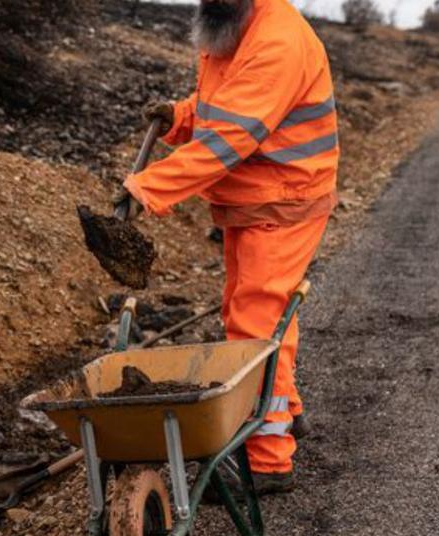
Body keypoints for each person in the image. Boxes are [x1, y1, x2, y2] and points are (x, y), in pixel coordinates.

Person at [116, 0, 338, 494]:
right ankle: (286, 411)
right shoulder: (232, 24)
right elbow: (222, 108)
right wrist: (180, 118)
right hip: (256, 199)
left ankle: (267, 461)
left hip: (284, 198)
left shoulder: (277, 40)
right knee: (256, 312)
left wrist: (148, 188)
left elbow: (231, 139)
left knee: (255, 325)